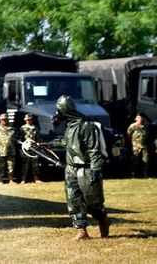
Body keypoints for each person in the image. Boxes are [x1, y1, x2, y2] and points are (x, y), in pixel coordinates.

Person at [53, 95, 110, 240]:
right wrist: (50, 144)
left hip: (86, 168)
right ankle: (81, 231)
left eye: (59, 111)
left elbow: (94, 149)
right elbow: (68, 142)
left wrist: (96, 169)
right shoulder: (70, 126)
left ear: (65, 110)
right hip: (71, 168)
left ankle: (103, 220)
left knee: (93, 203)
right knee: (73, 200)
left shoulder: (87, 126)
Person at [19, 113, 42, 183]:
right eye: (27, 120)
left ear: (32, 120)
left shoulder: (36, 128)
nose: (28, 121)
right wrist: (22, 145)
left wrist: (38, 144)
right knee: (25, 164)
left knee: (35, 164)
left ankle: (36, 179)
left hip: (34, 148)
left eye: (29, 120)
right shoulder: (22, 128)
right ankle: (23, 179)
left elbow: (38, 138)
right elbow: (20, 139)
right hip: (26, 149)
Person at [0, 113, 16, 184]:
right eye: (3, 119)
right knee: (0, 166)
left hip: (11, 150)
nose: (4, 121)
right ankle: (0, 180)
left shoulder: (12, 129)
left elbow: (17, 138)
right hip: (1, 151)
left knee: (11, 166)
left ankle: (11, 180)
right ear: (0, 120)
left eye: (5, 119)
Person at [127, 112, 149, 178]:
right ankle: (133, 174)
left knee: (145, 160)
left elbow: (147, 136)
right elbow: (128, 134)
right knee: (135, 160)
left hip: (144, 147)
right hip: (136, 147)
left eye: (138, 117)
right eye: (137, 117)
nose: (136, 118)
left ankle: (145, 175)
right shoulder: (133, 126)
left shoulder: (146, 127)